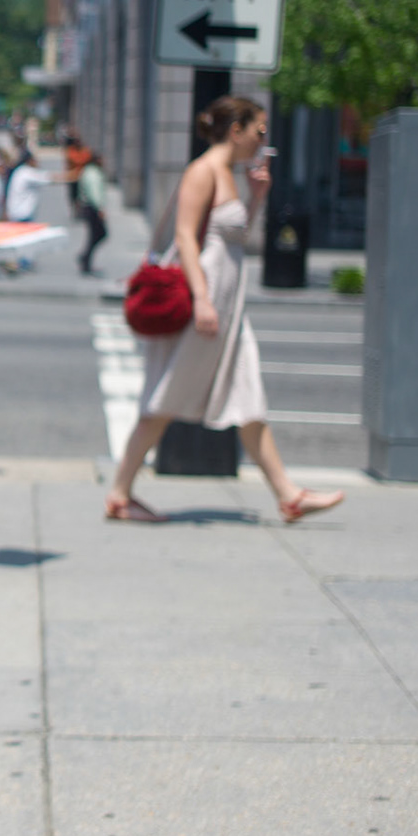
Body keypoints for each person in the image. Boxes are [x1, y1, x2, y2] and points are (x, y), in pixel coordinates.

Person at [104, 95, 345, 525]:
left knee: (247, 396)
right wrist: (202, 300)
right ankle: (120, 492)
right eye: (259, 130)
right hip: (206, 305)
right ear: (236, 130)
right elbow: (186, 238)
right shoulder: (203, 171)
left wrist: (257, 197)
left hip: (226, 309)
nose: (262, 139)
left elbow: (233, 236)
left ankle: (288, 494)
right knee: (166, 398)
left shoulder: (230, 175)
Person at [70, 144, 109, 276]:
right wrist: (100, 208)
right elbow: (94, 193)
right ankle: (85, 258)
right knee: (99, 234)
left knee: (95, 235)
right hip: (92, 208)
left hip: (90, 207)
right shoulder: (92, 173)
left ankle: (85, 258)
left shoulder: (90, 171)